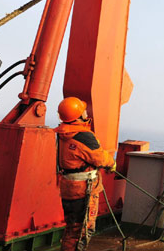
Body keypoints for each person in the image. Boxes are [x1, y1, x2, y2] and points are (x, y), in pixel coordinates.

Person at [55, 96, 116, 251]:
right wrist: (112, 164)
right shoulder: (83, 136)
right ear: (79, 115)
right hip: (83, 190)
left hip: (69, 188)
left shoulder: (63, 134)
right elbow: (100, 158)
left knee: (72, 228)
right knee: (82, 230)